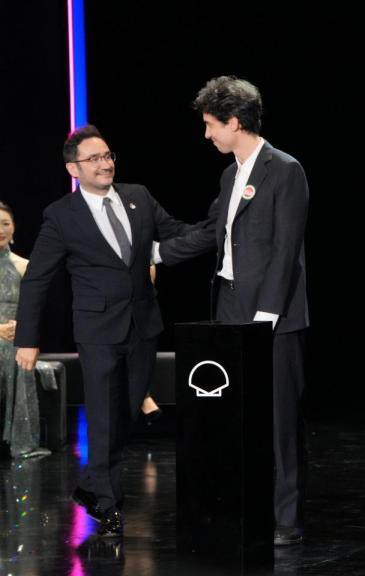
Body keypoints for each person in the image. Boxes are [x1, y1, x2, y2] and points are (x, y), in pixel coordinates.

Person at [156, 76, 310, 547]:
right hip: (227, 305)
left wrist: (267, 312)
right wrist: (159, 253)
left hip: (273, 314)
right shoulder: (230, 174)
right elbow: (212, 231)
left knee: (279, 418)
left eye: (210, 125)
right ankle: (245, 504)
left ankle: (286, 518)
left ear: (235, 122)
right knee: (234, 414)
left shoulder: (284, 169)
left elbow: (287, 248)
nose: (207, 135)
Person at [15, 125, 189, 537]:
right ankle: (107, 502)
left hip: (143, 325)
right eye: (94, 159)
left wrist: (220, 228)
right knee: (103, 417)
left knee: (127, 410)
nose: (106, 164)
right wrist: (28, 338)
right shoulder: (61, 215)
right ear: (73, 168)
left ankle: (92, 487)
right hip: (97, 331)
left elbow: (176, 232)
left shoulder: (138, 197)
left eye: (108, 155)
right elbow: (38, 279)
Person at [0, 202, 52, 459]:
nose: (1, 229)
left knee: (14, 353)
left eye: (5, 224)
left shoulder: (24, 265)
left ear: (14, 228)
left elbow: (36, 309)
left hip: (15, 337)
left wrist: (22, 326)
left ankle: (18, 439)